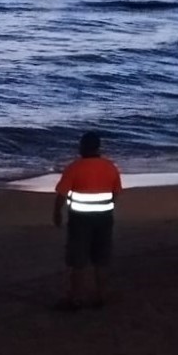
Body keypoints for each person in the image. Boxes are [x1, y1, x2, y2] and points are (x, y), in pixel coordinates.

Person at [52, 131, 122, 310]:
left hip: (80, 218)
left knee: (78, 261)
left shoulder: (74, 167)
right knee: (101, 259)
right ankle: (101, 296)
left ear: (82, 147)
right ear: (98, 148)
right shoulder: (110, 167)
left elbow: (61, 194)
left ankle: (76, 299)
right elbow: (116, 193)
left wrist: (57, 213)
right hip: (104, 217)